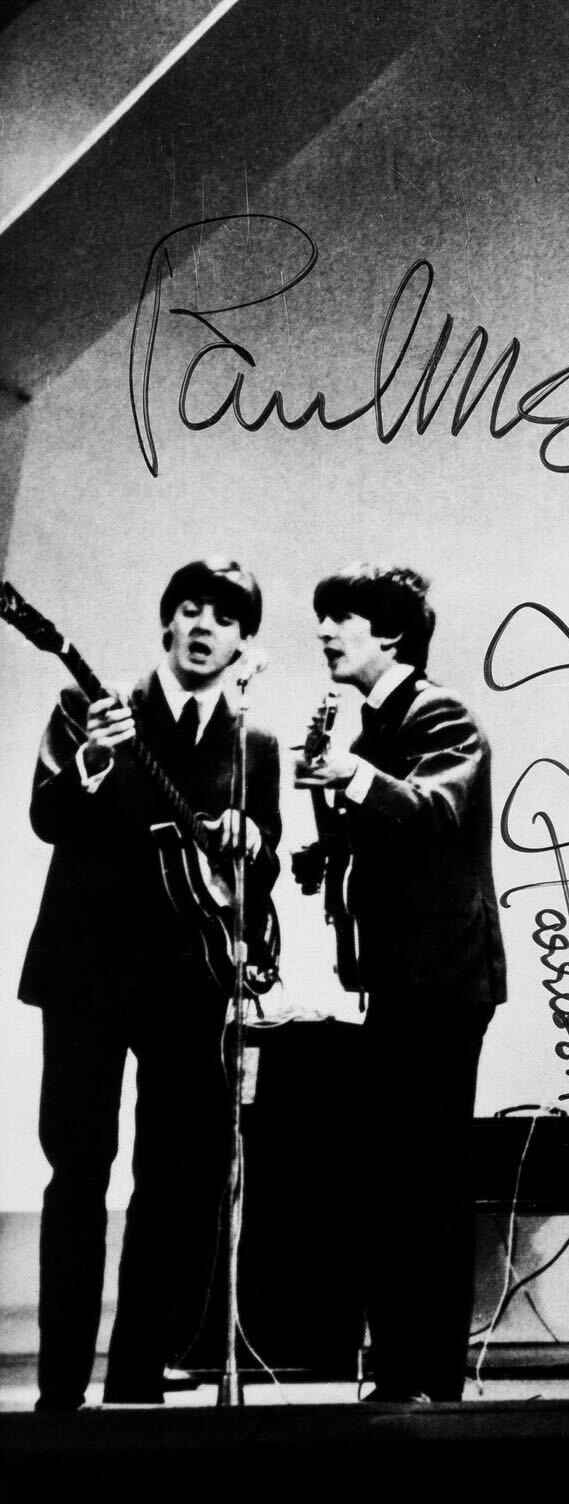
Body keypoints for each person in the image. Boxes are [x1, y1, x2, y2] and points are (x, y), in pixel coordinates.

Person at [20, 559, 279, 1411]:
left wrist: (252, 840)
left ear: (245, 643)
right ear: (166, 624)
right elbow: (49, 818)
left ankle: (136, 1385)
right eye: (189, 610)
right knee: (79, 1171)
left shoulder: (256, 747)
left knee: (174, 1180)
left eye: (225, 618)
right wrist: (92, 760)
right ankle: (60, 1391)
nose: (204, 627)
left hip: (191, 984)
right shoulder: (88, 709)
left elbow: (260, 879)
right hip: (87, 973)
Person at [294, 563, 505, 1403]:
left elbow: (436, 812)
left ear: (389, 634)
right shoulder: (377, 720)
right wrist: (324, 849)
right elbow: (391, 836)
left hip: (441, 982)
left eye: (338, 618)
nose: (322, 633)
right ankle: (404, 1373)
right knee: (396, 1175)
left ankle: (430, 1378)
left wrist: (349, 776)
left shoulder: (438, 712)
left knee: (426, 1176)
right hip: (401, 979)